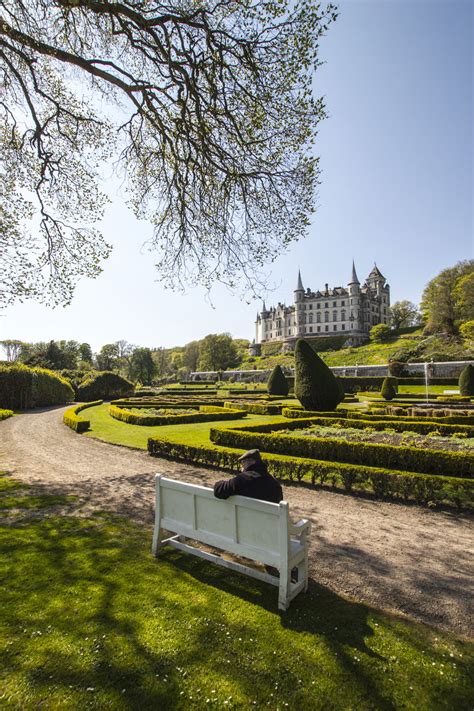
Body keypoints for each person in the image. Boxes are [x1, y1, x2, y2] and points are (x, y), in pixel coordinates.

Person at [213, 449, 283, 503]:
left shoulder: (243, 479)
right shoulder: (275, 484)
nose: (241, 465)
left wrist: (220, 482)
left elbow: (218, 491)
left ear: (253, 462)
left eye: (243, 462)